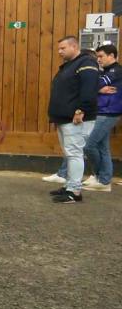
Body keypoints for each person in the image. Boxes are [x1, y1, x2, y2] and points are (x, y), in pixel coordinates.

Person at [44, 45, 122, 191]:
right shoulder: (104, 70)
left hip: (108, 112)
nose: (98, 60)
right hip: (100, 111)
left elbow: (90, 84)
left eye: (101, 56)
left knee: (88, 146)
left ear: (111, 56)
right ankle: (101, 178)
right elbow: (90, 85)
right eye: (97, 57)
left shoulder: (115, 70)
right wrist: (97, 89)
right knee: (100, 146)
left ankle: (101, 178)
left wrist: (94, 87)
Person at [47, 35, 100, 203]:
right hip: (64, 118)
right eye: (58, 48)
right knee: (69, 154)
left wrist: (80, 110)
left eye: (63, 48)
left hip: (76, 118)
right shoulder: (70, 66)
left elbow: (89, 89)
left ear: (74, 46)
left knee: (75, 153)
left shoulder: (86, 63)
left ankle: (74, 192)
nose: (59, 51)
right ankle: (70, 186)